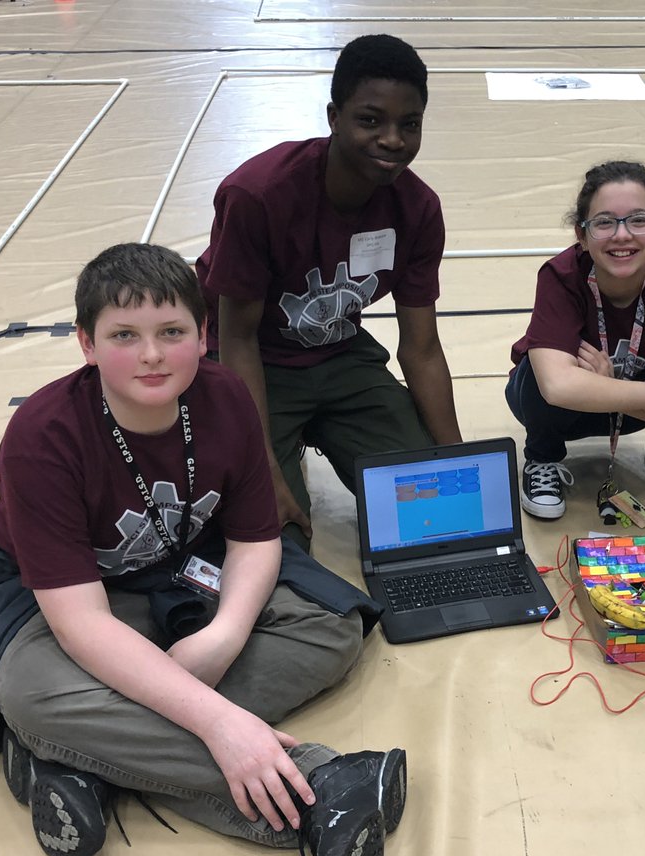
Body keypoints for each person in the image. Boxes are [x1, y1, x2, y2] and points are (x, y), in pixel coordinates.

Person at [0, 244, 405, 856]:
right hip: (75, 596)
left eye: (172, 332)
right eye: (124, 336)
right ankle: (326, 789)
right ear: (85, 344)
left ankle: (82, 763)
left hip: (188, 567)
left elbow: (255, 542)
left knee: (333, 625)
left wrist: (220, 638)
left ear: (202, 336)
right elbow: (79, 624)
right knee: (27, 692)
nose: (153, 355)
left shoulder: (226, 397)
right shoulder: (40, 436)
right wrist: (220, 723)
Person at [196, 34, 461, 550]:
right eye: (370, 119)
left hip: (341, 356)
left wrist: (453, 457)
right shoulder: (258, 195)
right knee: (275, 539)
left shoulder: (419, 209)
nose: (392, 139)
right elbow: (238, 340)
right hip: (255, 363)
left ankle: (321, 432)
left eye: (409, 125)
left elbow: (421, 347)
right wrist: (264, 468)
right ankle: (283, 446)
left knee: (432, 509)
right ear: (333, 116)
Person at [505, 160, 645, 519]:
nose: (622, 235)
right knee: (539, 368)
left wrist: (609, 387)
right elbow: (557, 388)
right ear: (582, 235)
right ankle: (542, 458)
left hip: (625, 408)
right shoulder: (560, 277)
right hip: (563, 412)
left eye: (639, 220)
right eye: (604, 222)